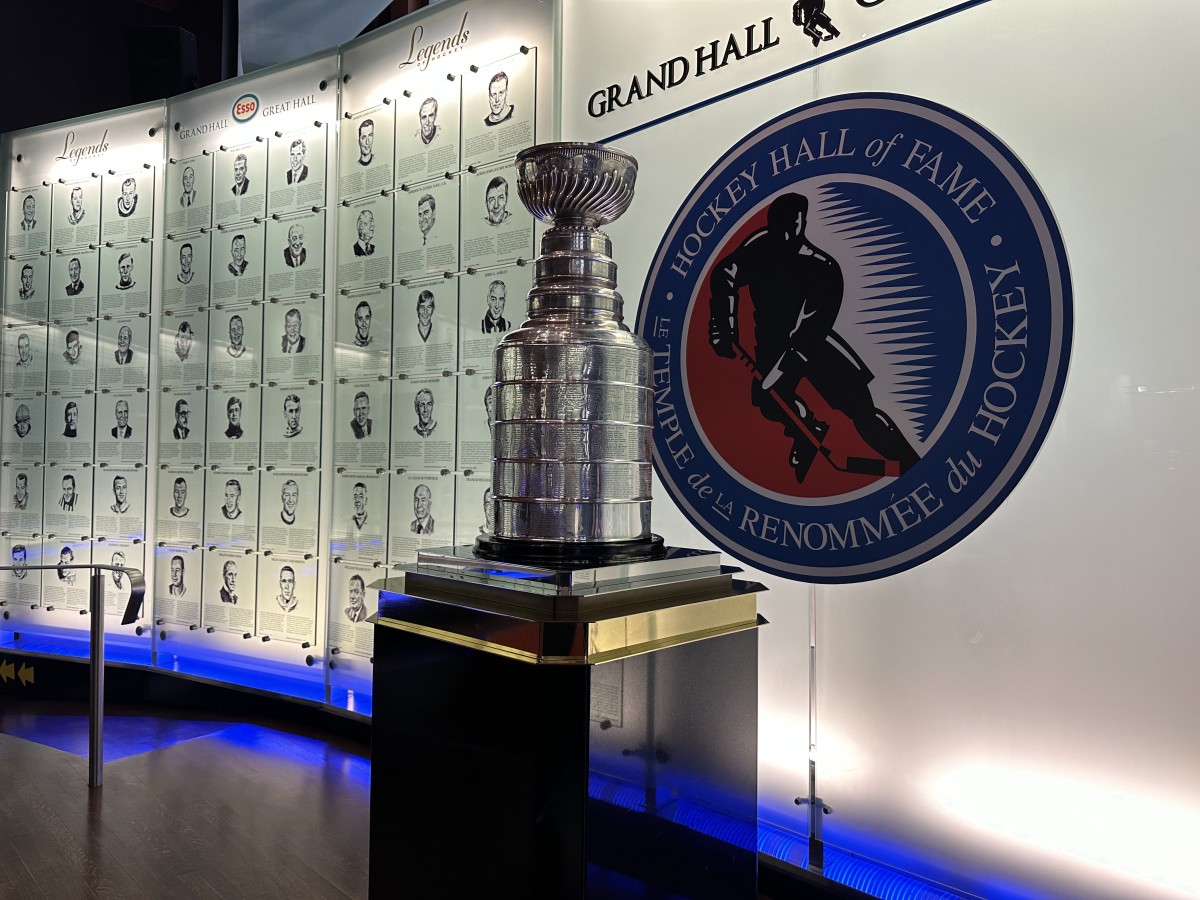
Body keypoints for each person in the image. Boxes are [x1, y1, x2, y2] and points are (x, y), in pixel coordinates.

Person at [708, 191, 919, 482]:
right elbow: (725, 273)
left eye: (791, 225)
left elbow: (808, 332)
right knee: (767, 400)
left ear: (802, 223)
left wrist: (778, 373)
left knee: (862, 410)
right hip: (770, 344)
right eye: (777, 225)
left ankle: (913, 463)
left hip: (815, 346)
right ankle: (808, 430)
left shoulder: (823, 267)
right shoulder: (760, 247)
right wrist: (725, 324)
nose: (783, 233)